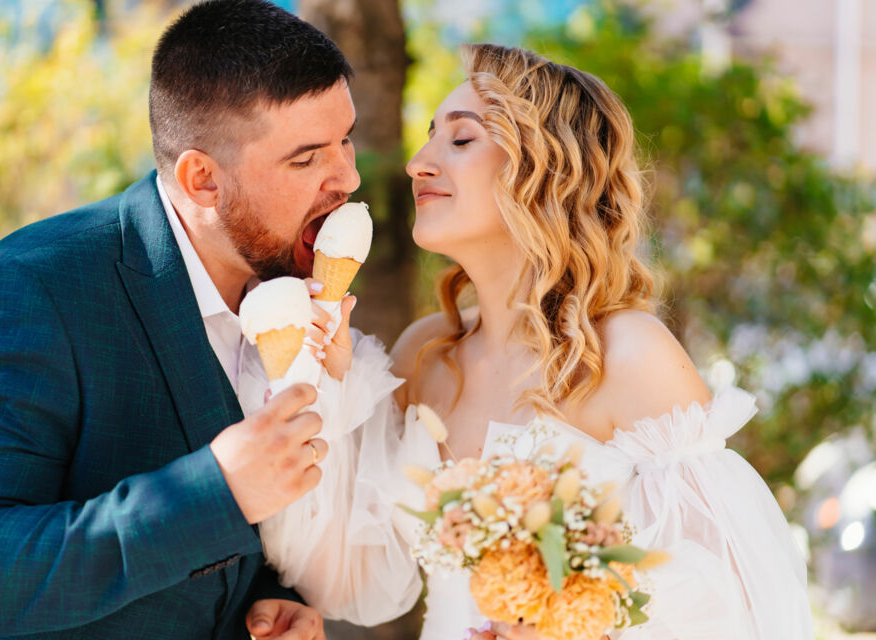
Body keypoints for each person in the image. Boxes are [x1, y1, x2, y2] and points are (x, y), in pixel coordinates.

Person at [253, 43, 814, 639]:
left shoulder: (630, 356)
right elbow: (355, 581)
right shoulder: (425, 355)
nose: (418, 162)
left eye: (461, 139)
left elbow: (732, 611)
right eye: (428, 136)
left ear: (545, 169)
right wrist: (328, 380)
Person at [0, 1, 357, 638]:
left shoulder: (289, 281)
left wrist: (261, 595)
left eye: (345, 139)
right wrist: (214, 493)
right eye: (307, 158)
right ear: (203, 179)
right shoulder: (30, 289)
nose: (347, 177)